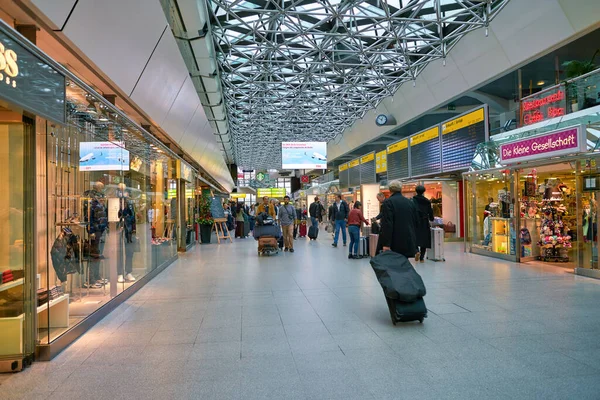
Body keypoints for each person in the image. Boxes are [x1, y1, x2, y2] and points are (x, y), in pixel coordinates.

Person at [377, 180, 418, 258]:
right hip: (408, 239)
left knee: (394, 265)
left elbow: (387, 223)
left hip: (394, 240)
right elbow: (414, 221)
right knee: (404, 263)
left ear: (390, 190)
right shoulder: (409, 202)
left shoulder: (388, 203)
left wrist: (386, 243)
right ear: (401, 189)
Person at [412, 185, 434, 262]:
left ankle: (416, 251)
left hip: (415, 221)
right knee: (424, 239)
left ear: (416, 191)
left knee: (414, 237)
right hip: (424, 221)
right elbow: (430, 212)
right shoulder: (427, 201)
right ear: (423, 191)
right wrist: (431, 218)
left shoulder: (412, 200)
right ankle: (422, 257)